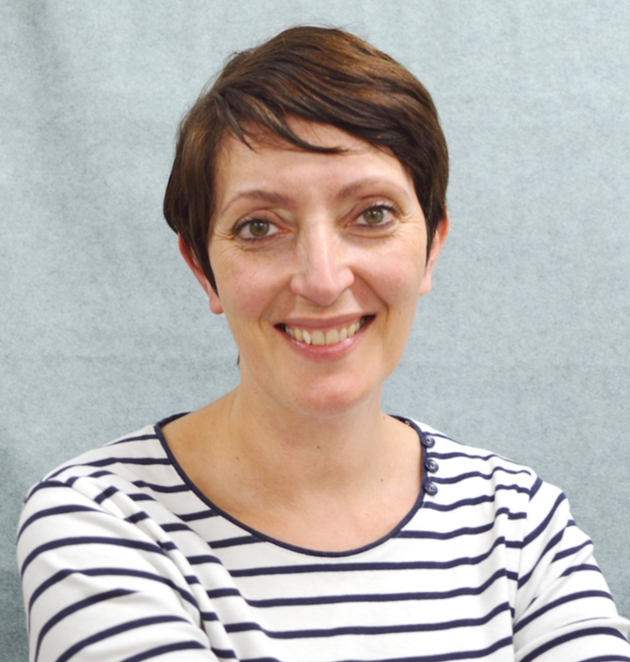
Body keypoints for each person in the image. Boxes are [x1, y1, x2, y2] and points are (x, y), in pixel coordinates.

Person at [17, 26, 630, 662]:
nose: (322, 278)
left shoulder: (520, 520)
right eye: (260, 227)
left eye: (372, 215)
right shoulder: (99, 519)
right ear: (203, 269)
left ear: (431, 248)